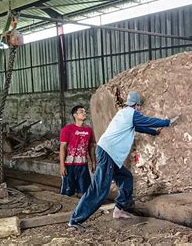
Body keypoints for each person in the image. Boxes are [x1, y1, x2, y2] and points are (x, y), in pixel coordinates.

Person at [68, 91, 179, 229]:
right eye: (139, 105)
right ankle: (75, 220)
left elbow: (139, 126)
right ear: (136, 105)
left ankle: (119, 209)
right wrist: (167, 122)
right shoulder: (130, 113)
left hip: (110, 154)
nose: (139, 108)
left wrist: (154, 132)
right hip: (108, 153)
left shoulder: (124, 114)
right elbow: (147, 121)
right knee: (99, 190)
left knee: (126, 178)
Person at [59, 105, 96, 197]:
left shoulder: (89, 130)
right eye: (81, 112)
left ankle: (83, 208)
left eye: (85, 112)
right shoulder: (67, 129)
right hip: (69, 165)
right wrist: (62, 165)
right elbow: (63, 147)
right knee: (68, 191)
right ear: (75, 115)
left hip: (83, 165)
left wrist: (94, 162)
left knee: (85, 190)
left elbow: (91, 147)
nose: (84, 113)